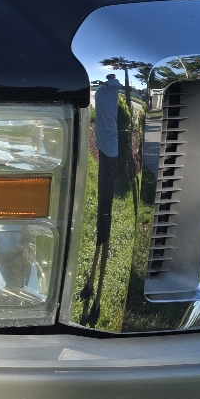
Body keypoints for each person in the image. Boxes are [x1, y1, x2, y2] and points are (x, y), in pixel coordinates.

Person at [80, 74, 122, 324]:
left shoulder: (111, 91)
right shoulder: (105, 92)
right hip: (108, 155)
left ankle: (96, 298)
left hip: (112, 157)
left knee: (105, 221)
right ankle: (91, 285)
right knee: (101, 221)